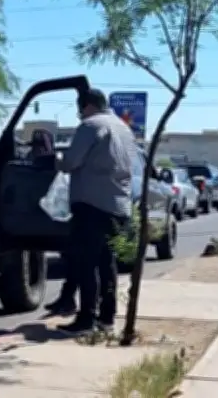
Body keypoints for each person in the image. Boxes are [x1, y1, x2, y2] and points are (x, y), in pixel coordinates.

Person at [46, 87, 135, 333]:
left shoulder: (90, 126)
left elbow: (72, 162)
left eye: (80, 108)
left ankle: (86, 319)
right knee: (107, 263)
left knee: (86, 263)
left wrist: (55, 159)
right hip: (118, 205)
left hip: (92, 205)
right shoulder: (123, 128)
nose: (79, 114)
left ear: (87, 106)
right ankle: (107, 318)